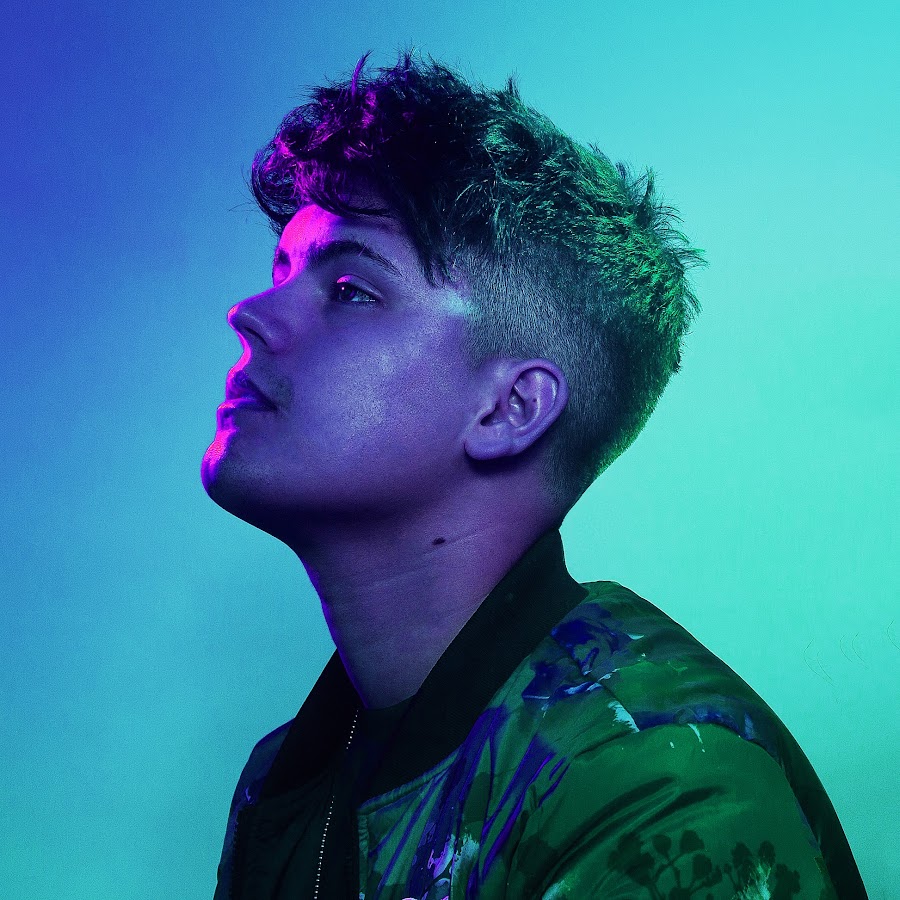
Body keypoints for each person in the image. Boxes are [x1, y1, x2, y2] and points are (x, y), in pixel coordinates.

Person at [201, 51, 867, 899]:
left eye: (350, 290)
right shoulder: (291, 777)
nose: (249, 314)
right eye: (282, 272)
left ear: (510, 409)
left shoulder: (661, 784)